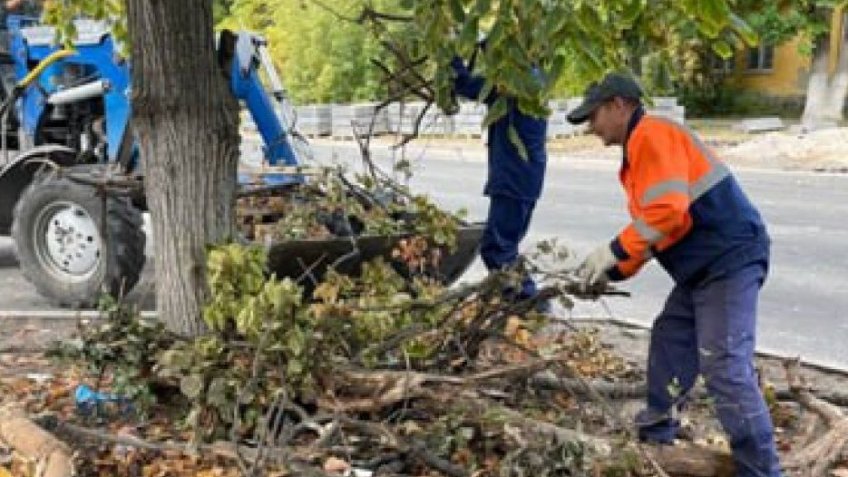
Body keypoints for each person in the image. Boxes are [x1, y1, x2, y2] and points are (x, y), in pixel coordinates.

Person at [566, 73, 781, 476]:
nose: (590, 127)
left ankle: (763, 470)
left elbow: (667, 210)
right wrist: (611, 273)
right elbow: (657, 232)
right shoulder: (638, 149)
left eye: (592, 116)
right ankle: (656, 438)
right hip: (702, 266)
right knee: (671, 340)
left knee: (724, 365)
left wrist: (611, 251)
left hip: (727, 259)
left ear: (618, 105)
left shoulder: (651, 134)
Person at [451, 49, 549, 311]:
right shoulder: (532, 78)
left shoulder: (513, 82)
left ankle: (529, 305)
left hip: (514, 179)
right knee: (505, 246)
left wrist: (451, 53)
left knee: (497, 248)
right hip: (523, 179)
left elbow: (463, 83)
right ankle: (518, 304)